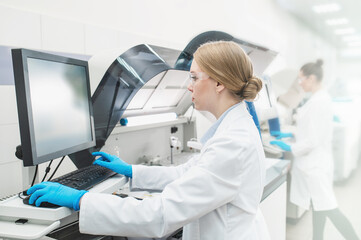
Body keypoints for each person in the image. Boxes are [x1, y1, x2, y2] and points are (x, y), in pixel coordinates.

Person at [27, 41, 269, 239]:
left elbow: (161, 215)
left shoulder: (233, 143)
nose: (189, 86)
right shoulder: (231, 129)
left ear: (219, 83)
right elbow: (185, 174)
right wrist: (131, 171)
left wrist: (81, 200)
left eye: (194, 77)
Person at [271, 60, 359, 240]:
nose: (300, 83)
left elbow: (312, 140)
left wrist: (289, 146)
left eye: (302, 79)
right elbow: (308, 131)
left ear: (311, 78)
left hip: (315, 167)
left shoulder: (320, 102)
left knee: (330, 208)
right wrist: (288, 134)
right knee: (320, 206)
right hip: (315, 164)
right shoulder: (317, 99)